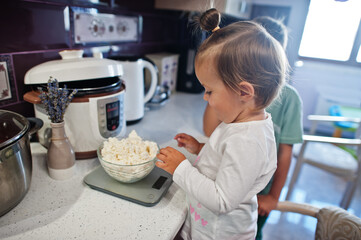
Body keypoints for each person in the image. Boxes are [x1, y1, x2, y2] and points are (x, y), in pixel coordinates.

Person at [156, 8, 288, 239]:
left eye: (209, 90)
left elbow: (222, 200)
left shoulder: (248, 140)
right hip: (206, 226)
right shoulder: (242, 121)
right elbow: (230, 164)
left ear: (244, 92)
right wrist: (201, 149)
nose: (205, 98)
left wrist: (181, 168)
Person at [203, 16, 304, 240]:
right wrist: (214, 88)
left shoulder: (289, 98)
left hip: (260, 193)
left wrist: (273, 196)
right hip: (227, 183)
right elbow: (212, 132)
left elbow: (285, 152)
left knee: (248, 231)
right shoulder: (232, 95)